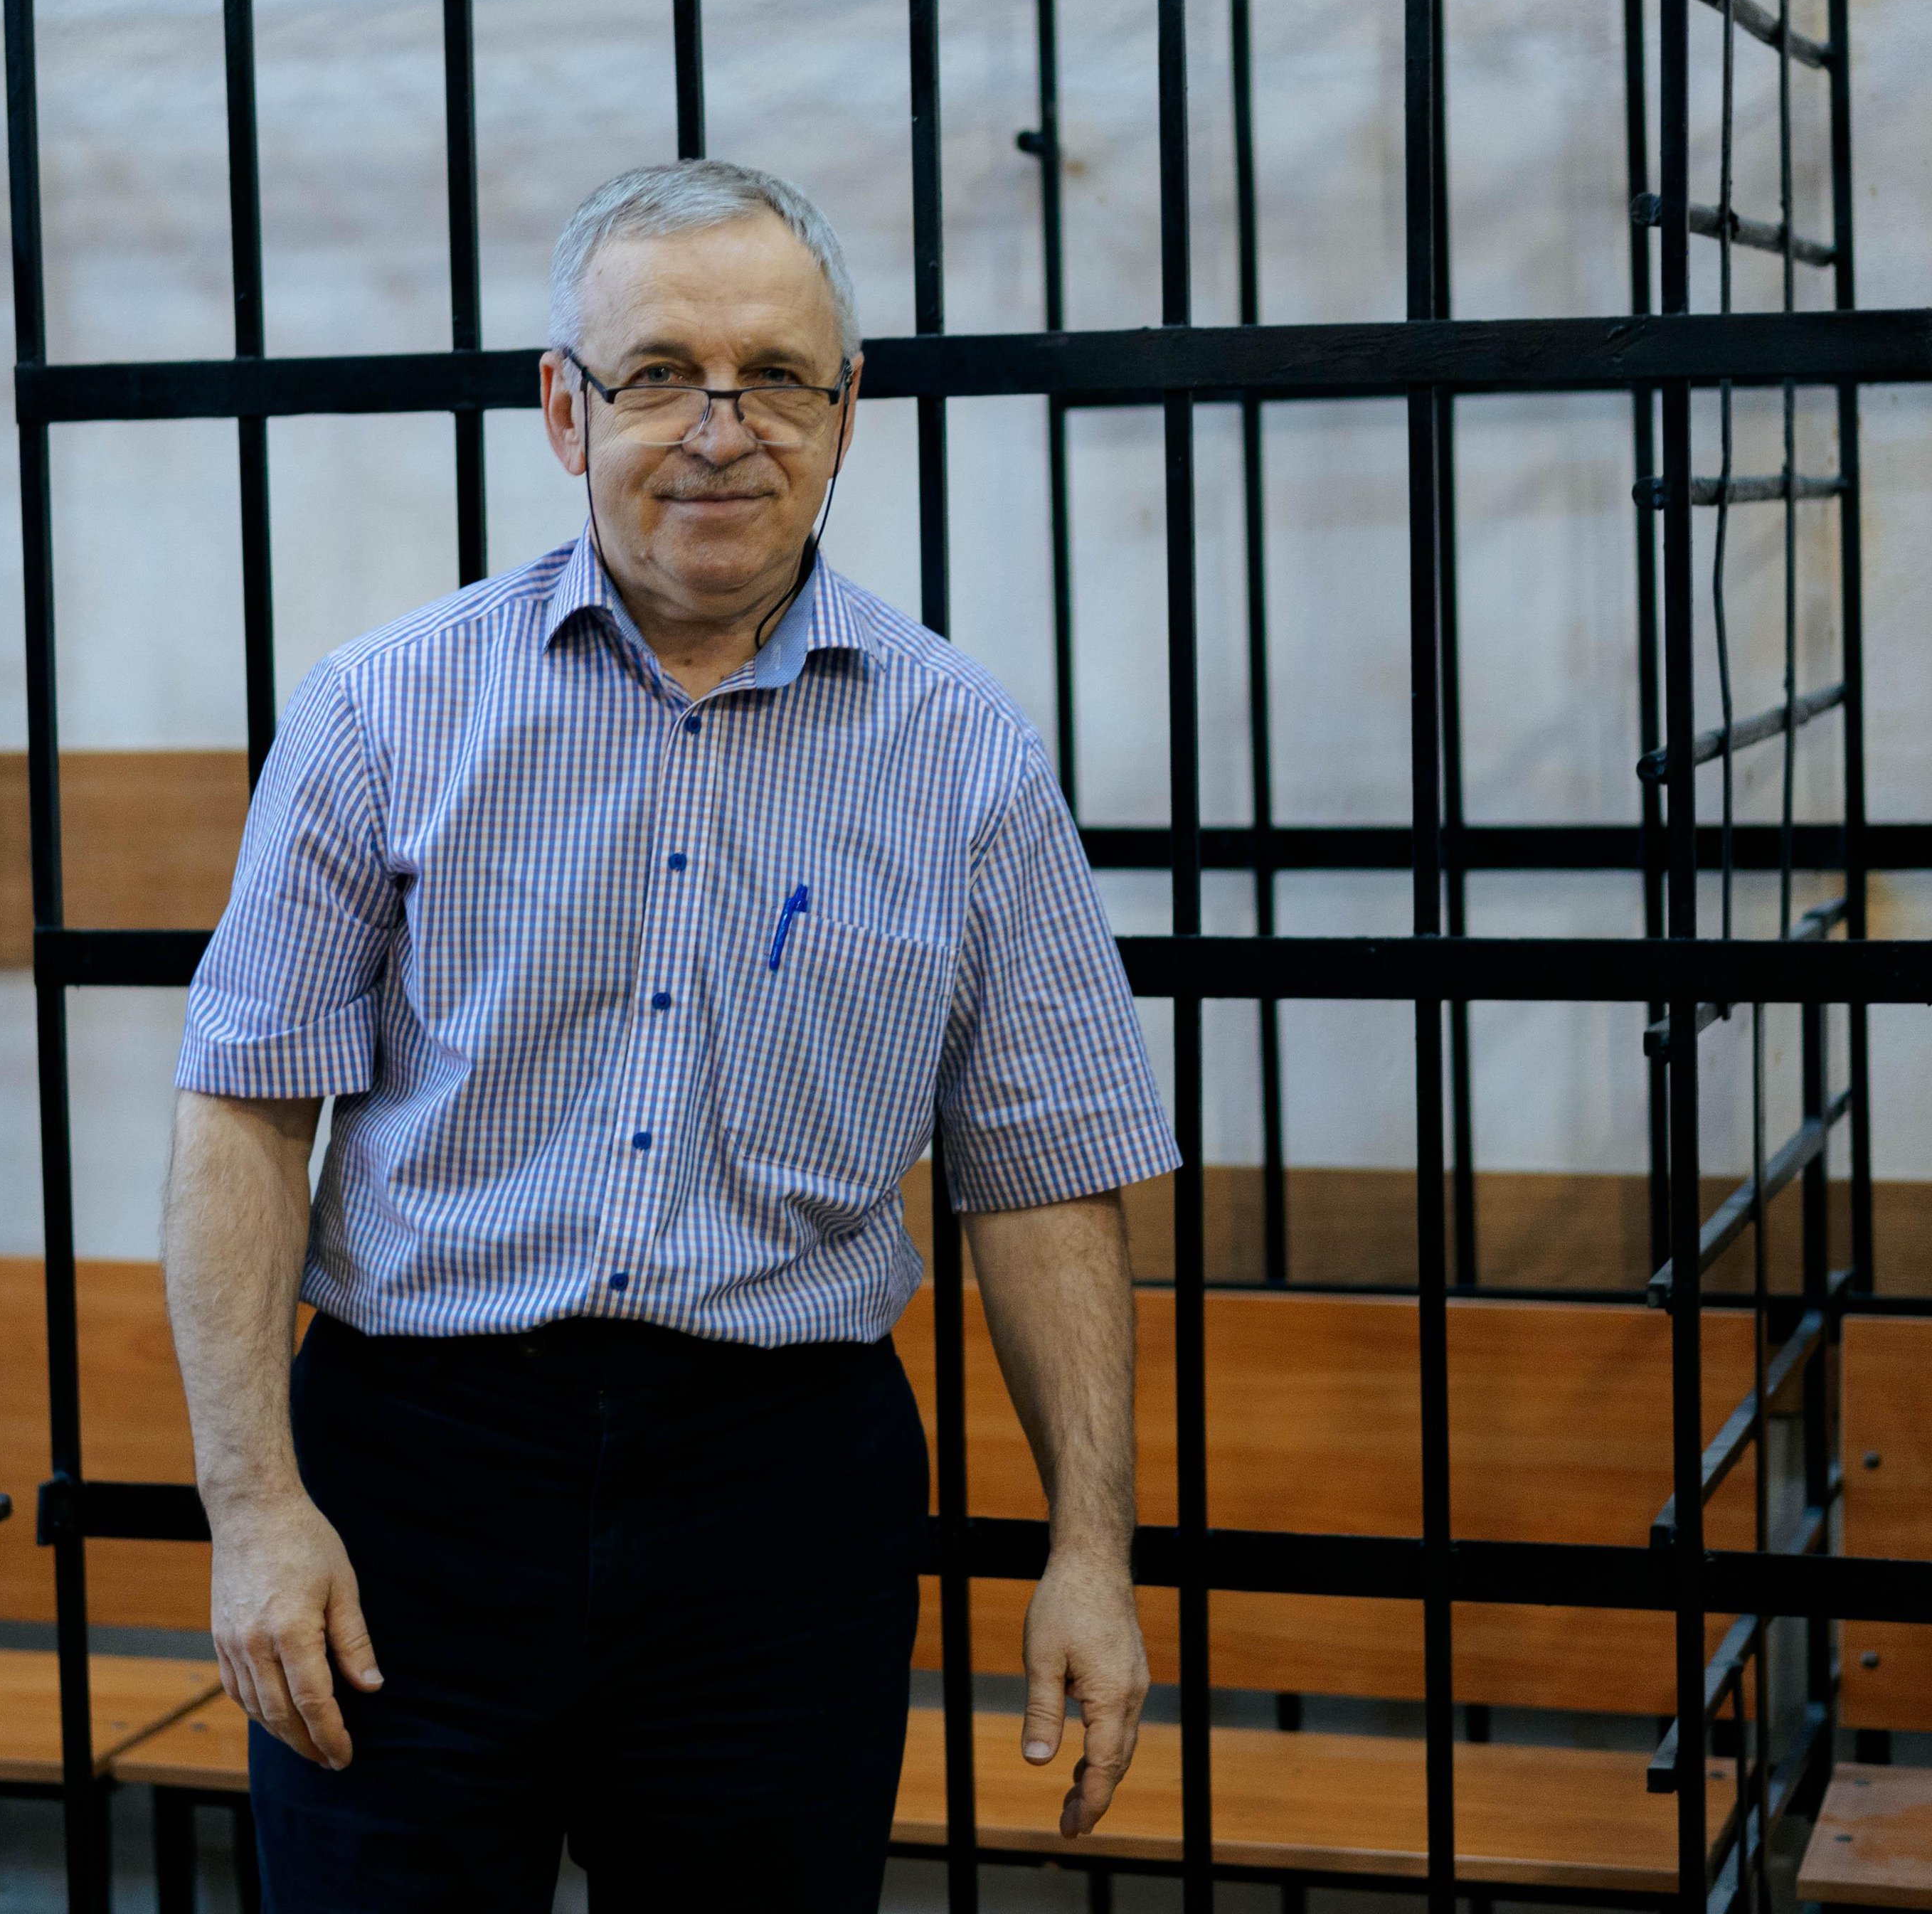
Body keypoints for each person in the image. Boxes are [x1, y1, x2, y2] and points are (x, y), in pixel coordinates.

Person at [162, 159, 1179, 1910]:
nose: (721, 430)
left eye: (774, 376)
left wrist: (1091, 1549)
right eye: (657, 375)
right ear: (565, 410)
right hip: (413, 1493)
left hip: (778, 1514)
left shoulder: (964, 754)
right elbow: (242, 1116)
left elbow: (1043, 1176)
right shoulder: (382, 711)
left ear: (844, 412)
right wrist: (253, 1506)